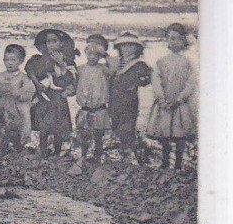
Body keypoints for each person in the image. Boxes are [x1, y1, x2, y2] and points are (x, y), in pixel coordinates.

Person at [146, 23, 196, 169]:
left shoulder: (188, 62)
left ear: (183, 41)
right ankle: (165, 161)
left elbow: (191, 83)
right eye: (171, 38)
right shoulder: (161, 62)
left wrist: (180, 99)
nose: (174, 42)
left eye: (178, 39)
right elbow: (156, 81)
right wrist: (161, 99)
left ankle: (179, 163)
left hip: (180, 104)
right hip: (164, 103)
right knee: (164, 133)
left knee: (180, 134)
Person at [26, 29, 77, 157]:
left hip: (58, 98)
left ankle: (57, 151)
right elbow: (30, 69)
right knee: (44, 126)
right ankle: (43, 151)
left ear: (61, 43)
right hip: (44, 97)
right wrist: (37, 84)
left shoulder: (68, 61)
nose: (51, 44)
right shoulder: (40, 60)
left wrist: (61, 64)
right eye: (48, 42)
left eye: (54, 41)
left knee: (58, 128)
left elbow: (69, 80)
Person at [109, 31, 152, 164]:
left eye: (130, 45)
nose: (126, 48)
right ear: (119, 47)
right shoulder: (115, 63)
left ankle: (130, 155)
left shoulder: (140, 64)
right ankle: (124, 153)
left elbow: (148, 79)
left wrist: (136, 83)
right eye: (123, 45)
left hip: (129, 102)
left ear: (137, 48)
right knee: (116, 126)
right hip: (114, 100)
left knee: (128, 127)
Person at [0, 44, 36, 151]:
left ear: (20, 61)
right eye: (7, 60)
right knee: (3, 129)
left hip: (19, 110)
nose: (10, 63)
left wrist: (17, 92)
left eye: (13, 59)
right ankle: (4, 150)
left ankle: (21, 148)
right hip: (4, 108)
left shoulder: (23, 78)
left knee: (20, 130)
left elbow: (30, 92)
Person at [75, 34, 112, 162]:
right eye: (89, 54)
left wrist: (106, 55)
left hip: (99, 108)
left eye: (96, 55)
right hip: (85, 108)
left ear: (100, 56)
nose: (92, 57)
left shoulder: (103, 69)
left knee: (98, 135)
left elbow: (114, 70)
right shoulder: (80, 69)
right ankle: (83, 156)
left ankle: (97, 156)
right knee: (84, 134)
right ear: (85, 53)